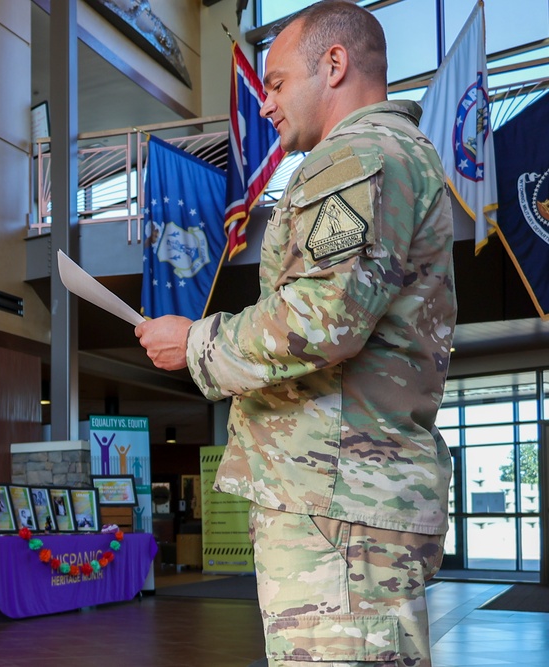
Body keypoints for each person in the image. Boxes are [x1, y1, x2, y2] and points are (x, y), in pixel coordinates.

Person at [135, 3, 455, 666]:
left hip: (341, 506)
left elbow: (322, 317)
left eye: (277, 82)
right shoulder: (382, 156)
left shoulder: (362, 155)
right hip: (343, 503)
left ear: (333, 65)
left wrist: (196, 342)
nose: (267, 103)